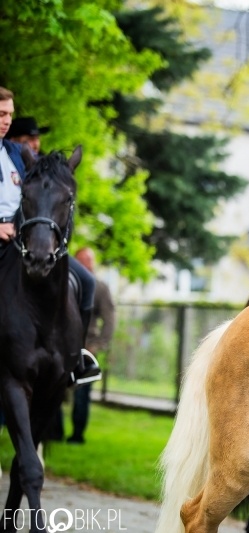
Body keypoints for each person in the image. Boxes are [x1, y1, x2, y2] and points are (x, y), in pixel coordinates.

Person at [0, 87, 100, 385]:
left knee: (86, 281)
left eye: (9, 114)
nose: (6, 121)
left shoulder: (17, 153)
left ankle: (76, 358)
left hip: (24, 240)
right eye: (1, 114)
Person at [66, 247, 115, 444]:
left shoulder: (99, 287)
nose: (87, 262)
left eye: (90, 259)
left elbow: (110, 320)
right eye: (82, 259)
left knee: (81, 395)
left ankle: (77, 435)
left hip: (84, 348)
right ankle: (53, 432)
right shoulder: (64, 282)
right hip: (60, 345)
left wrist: (97, 345)